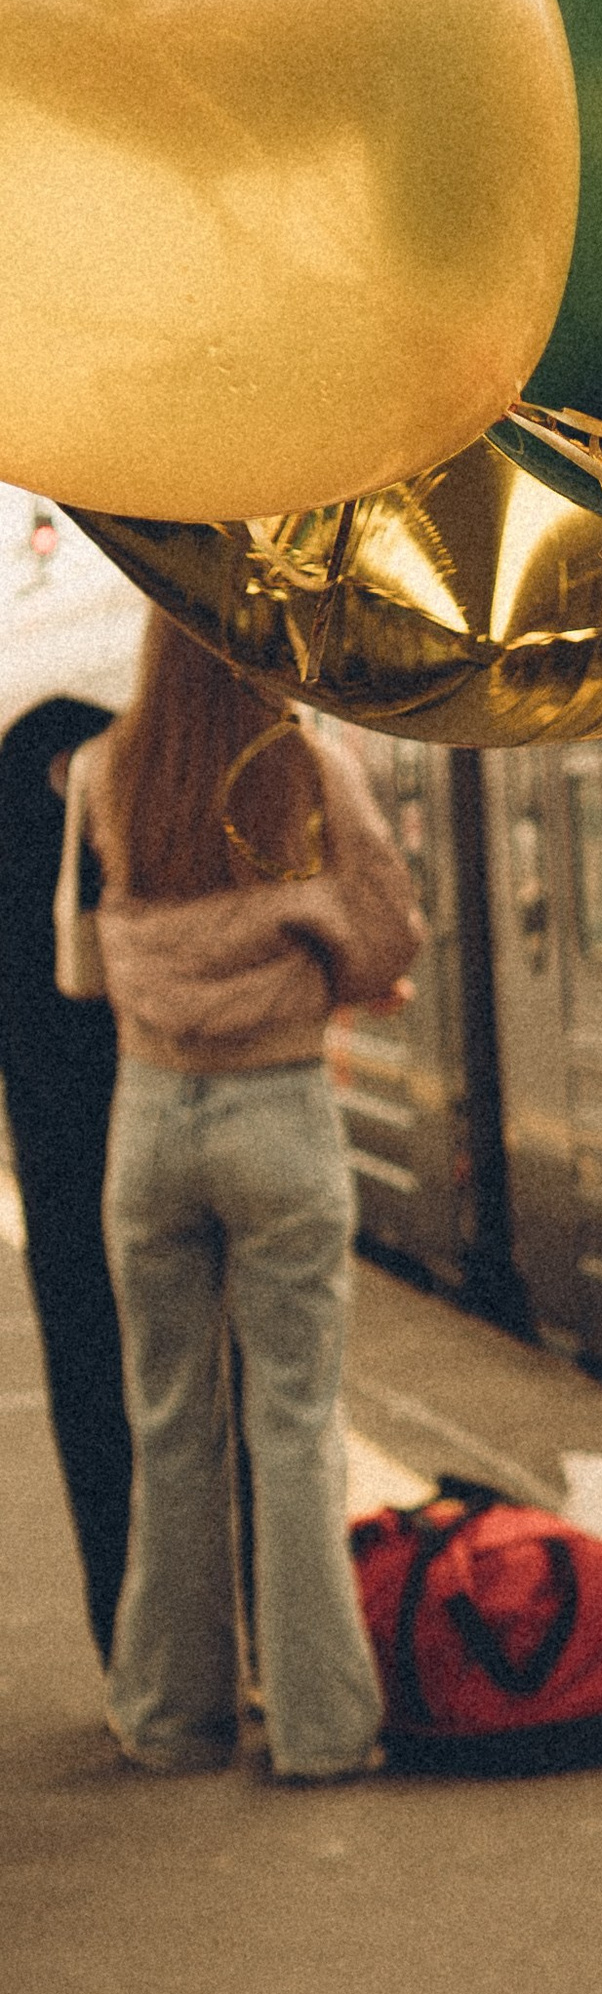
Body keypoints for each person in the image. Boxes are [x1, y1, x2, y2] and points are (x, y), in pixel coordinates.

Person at [62, 617, 421, 1780]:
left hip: (150, 1120)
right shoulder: (309, 768)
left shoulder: (106, 768)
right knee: (297, 1428)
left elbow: (76, 967)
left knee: (169, 1428)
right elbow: (383, 944)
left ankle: (171, 1718)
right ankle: (320, 1731)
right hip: (277, 1112)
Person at [0, 691, 131, 1656]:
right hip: (173, 1105)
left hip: (56, 1151)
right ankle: (242, 1638)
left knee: (90, 1382)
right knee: (221, 1391)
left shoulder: (17, 765)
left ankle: (128, 1643)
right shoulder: (167, 755)